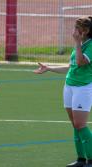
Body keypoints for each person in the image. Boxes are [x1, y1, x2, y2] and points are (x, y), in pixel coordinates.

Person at [34, 16, 92, 167]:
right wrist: (49, 68)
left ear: (85, 31)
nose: (73, 31)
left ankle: (91, 160)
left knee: (80, 124)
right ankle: (81, 159)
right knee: (75, 124)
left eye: (76, 28)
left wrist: (77, 43)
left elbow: (80, 61)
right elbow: (71, 66)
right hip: (69, 86)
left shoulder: (89, 45)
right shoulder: (80, 44)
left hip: (83, 88)